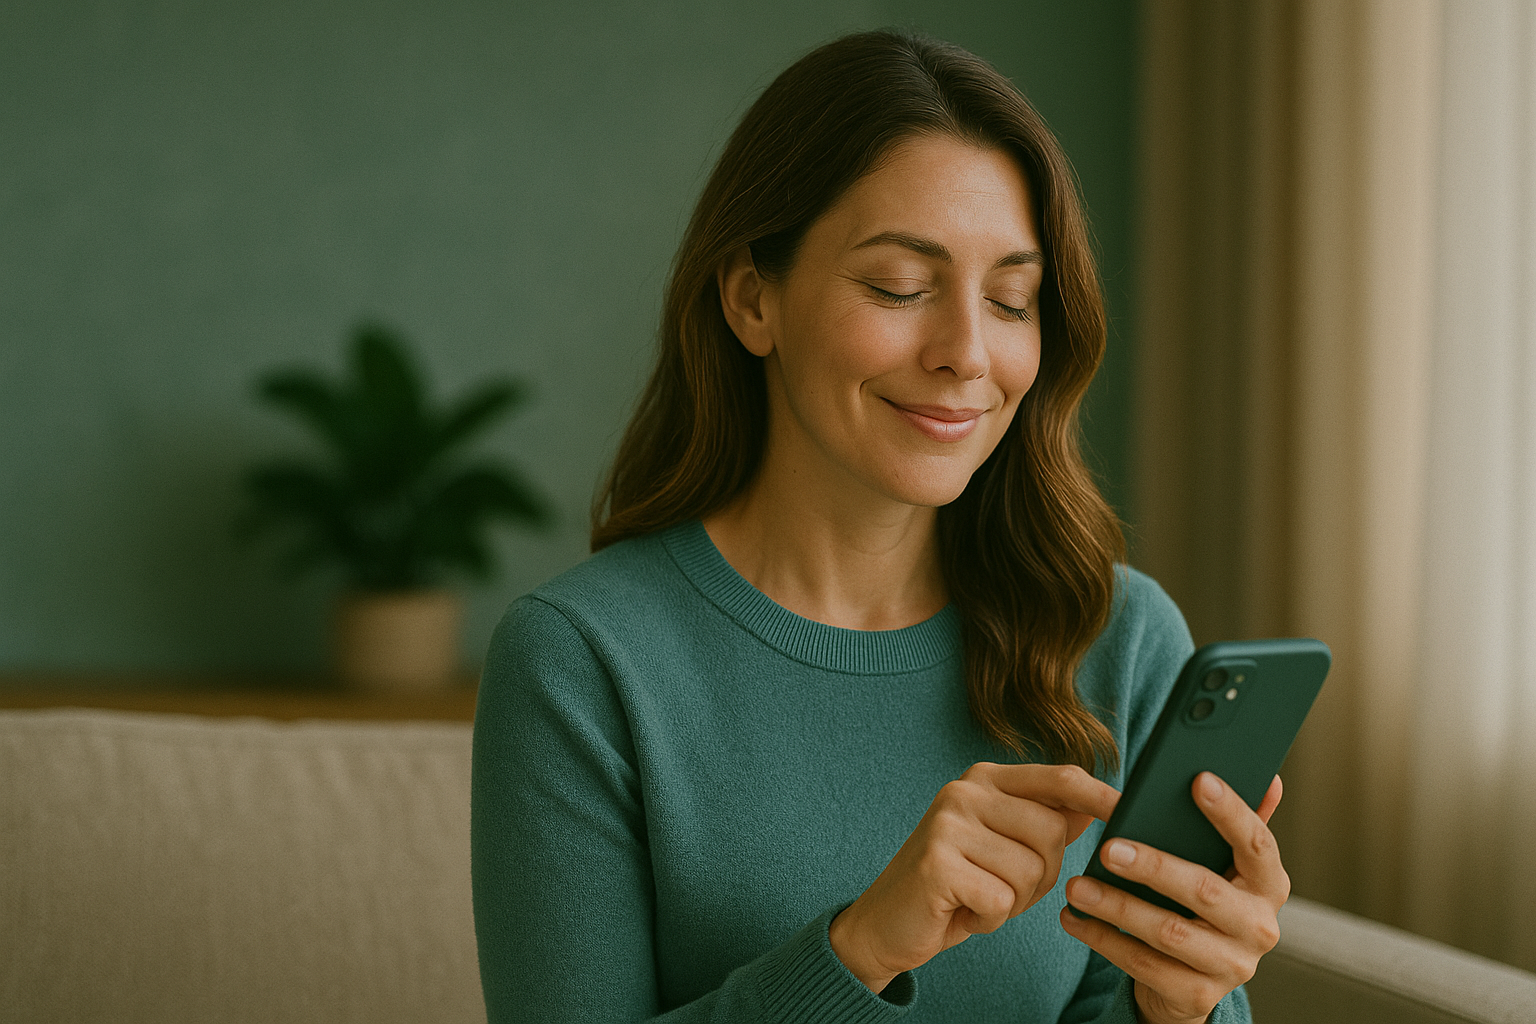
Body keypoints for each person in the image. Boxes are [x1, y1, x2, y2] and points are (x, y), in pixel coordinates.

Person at [471, 29, 1286, 1024]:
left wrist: (1187, 1003)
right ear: (751, 299)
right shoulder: (581, 661)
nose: (966, 352)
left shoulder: (1119, 639)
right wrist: (862, 949)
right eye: (901, 286)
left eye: (1012, 299)